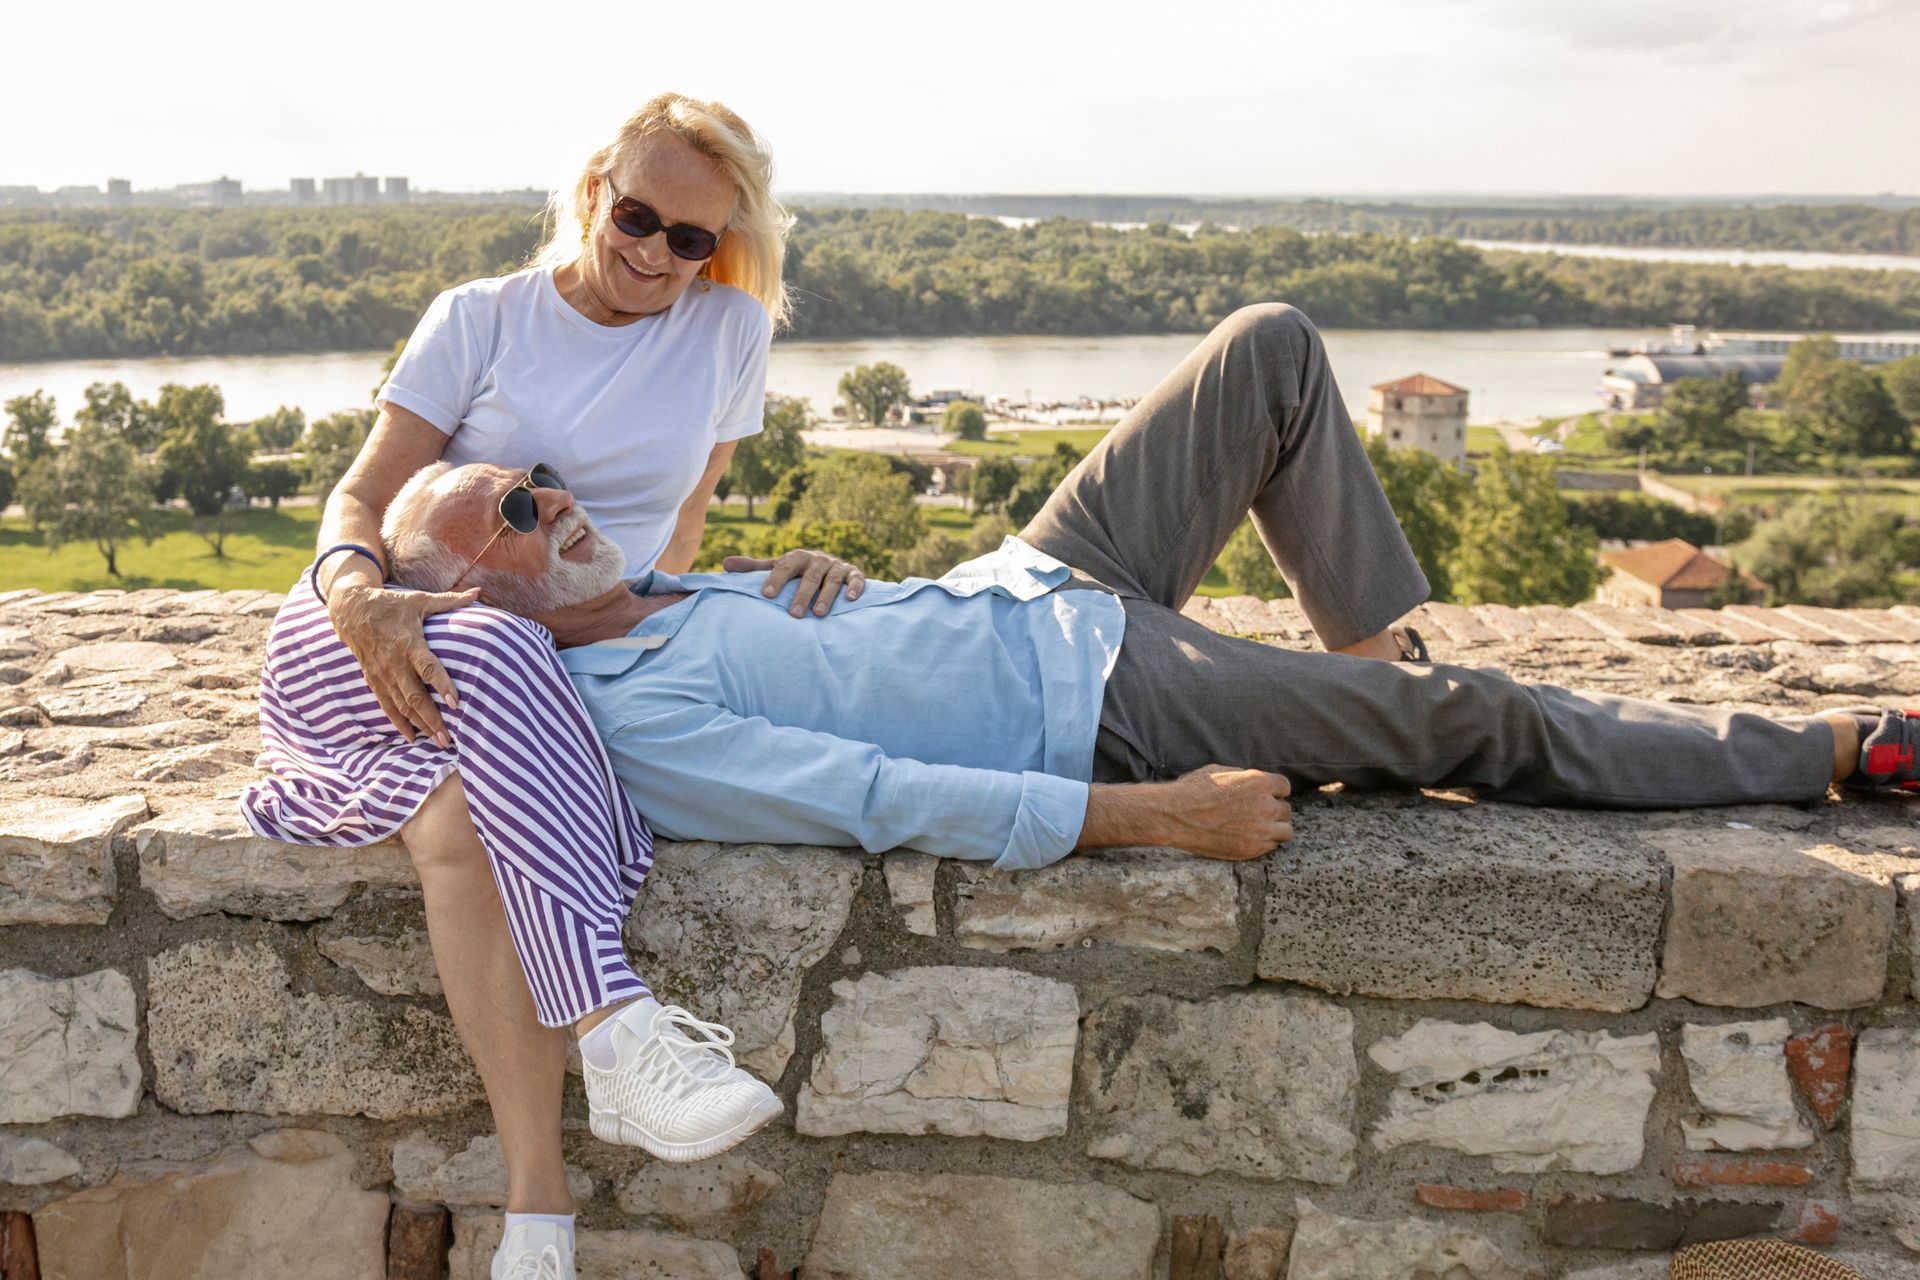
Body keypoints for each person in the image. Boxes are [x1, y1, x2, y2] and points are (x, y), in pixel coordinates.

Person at [371, 303, 1913, 896]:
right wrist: (1160, 818)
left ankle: (1375, 673)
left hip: (1036, 584)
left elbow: (841, 651)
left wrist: (829, 579)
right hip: (1097, 700)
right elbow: (874, 792)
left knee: (1267, 350)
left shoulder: (646, 592)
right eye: (514, 505)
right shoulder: (632, 719)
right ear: (467, 611)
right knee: (1482, 721)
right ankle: (1835, 750)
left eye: (539, 478)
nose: (553, 493)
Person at [245, 93, 866, 1280]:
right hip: (391, 619)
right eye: (639, 217)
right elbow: (364, 497)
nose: (657, 254)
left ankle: (538, 1222)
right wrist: (356, 597)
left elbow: (675, 529)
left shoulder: (728, 330)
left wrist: (723, 589)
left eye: (693, 238)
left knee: (458, 816)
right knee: (487, 639)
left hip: (556, 645)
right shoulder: (481, 318)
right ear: (595, 192)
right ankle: (616, 1029)